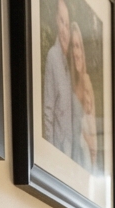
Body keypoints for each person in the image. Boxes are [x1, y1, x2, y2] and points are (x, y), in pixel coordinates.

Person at [43, 0, 74, 155]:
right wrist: (50, 154)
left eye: (67, 25)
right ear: (56, 21)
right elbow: (48, 111)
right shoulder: (53, 57)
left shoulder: (67, 64)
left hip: (67, 151)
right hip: (57, 148)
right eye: (62, 22)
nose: (64, 29)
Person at [69, 22, 97, 170]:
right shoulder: (69, 84)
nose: (76, 52)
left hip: (86, 157)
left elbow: (93, 133)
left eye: (78, 46)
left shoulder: (86, 81)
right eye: (73, 46)